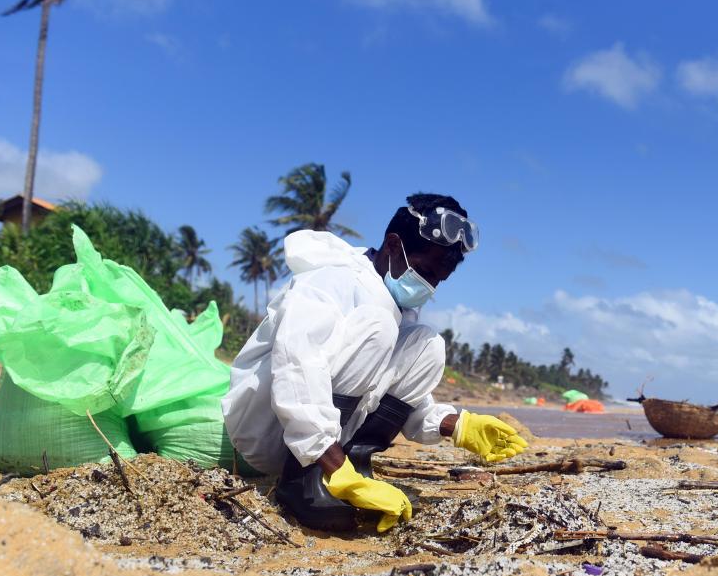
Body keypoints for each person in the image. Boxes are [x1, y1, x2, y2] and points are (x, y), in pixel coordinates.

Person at [222, 193, 527, 533]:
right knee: (379, 327)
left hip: (322, 439)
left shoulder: (397, 305)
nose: (429, 287)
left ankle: (353, 467)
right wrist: (328, 460)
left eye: (437, 280)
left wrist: (456, 425)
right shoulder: (332, 280)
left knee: (427, 345)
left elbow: (386, 389)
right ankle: (306, 481)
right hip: (265, 430)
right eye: (425, 272)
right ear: (393, 245)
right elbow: (296, 365)